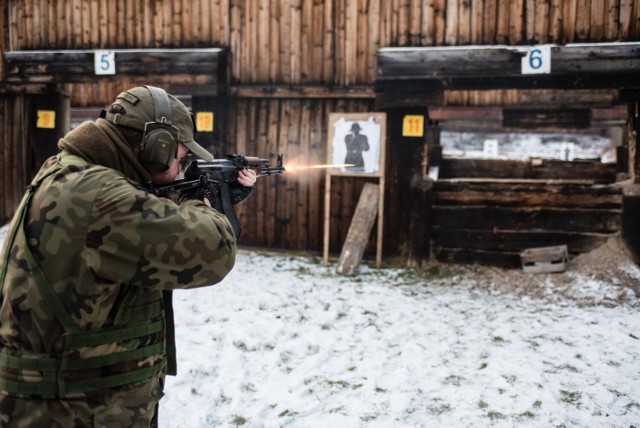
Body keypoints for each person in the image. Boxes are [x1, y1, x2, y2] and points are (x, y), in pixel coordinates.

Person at [0, 86, 256, 426]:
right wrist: (202, 200)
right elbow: (214, 250)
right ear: (156, 148)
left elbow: (145, 220)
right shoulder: (98, 195)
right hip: (73, 410)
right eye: (179, 158)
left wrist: (196, 195)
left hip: (74, 402)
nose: (181, 167)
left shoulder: (74, 172)